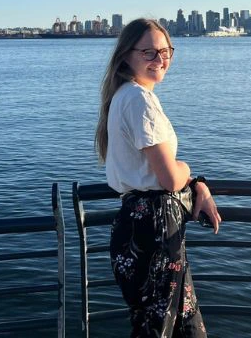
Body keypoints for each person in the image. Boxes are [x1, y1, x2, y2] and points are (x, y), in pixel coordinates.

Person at [95, 18, 221, 338]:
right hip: (156, 228)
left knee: (166, 324)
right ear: (126, 55)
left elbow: (149, 173)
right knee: (166, 327)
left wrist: (197, 186)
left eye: (166, 52)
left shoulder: (123, 97)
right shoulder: (140, 99)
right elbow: (167, 178)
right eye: (149, 52)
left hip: (135, 225)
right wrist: (188, 170)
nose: (161, 60)